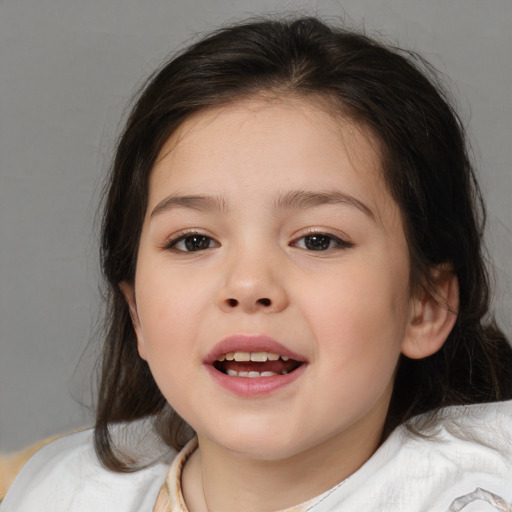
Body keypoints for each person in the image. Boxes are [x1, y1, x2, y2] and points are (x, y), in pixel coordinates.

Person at [2, 15, 512, 512]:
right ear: (137, 313)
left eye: (316, 241)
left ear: (423, 305)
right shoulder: (54, 491)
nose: (248, 285)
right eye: (193, 240)